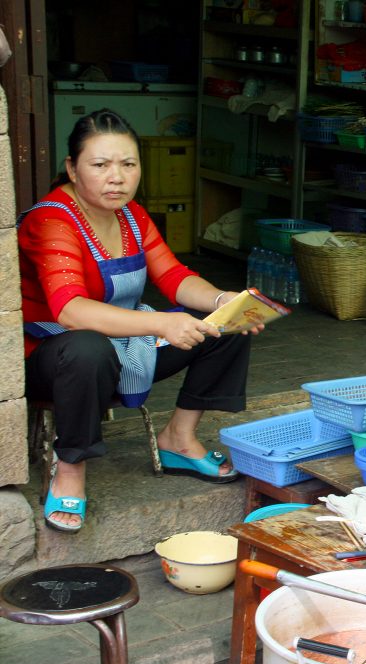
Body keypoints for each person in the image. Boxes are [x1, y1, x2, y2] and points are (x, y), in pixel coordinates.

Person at [19, 109, 263, 534]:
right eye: (100, 165)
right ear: (72, 169)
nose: (117, 177)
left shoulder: (132, 216)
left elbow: (173, 276)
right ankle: (71, 467)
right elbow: (70, 310)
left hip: (121, 344)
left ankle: (178, 439)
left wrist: (227, 301)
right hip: (51, 357)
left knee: (225, 328)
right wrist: (159, 326)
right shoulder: (52, 219)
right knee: (86, 347)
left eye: (128, 164)